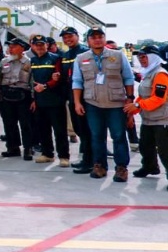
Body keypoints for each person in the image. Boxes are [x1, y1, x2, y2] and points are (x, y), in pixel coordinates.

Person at [72, 26, 135, 182]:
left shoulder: (118, 55)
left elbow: (128, 78)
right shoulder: (81, 58)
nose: (97, 39)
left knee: (119, 136)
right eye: (93, 37)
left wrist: (129, 99)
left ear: (104, 38)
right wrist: (77, 103)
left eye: (100, 36)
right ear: (88, 41)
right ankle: (99, 165)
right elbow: (77, 81)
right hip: (93, 104)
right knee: (97, 136)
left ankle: (121, 168)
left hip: (116, 104)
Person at [124, 45, 168, 182]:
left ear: (153, 57)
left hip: (162, 120)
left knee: (165, 151)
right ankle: (150, 167)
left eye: (144, 56)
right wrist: (133, 110)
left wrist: (137, 105)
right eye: (139, 57)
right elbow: (143, 96)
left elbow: (159, 98)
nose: (141, 59)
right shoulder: (148, 73)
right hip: (148, 119)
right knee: (145, 146)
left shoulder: (160, 74)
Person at [28, 35, 69, 167]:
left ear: (47, 45)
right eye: (37, 44)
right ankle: (47, 154)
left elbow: (58, 78)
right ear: (33, 46)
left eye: (42, 44)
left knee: (59, 130)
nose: (39, 47)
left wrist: (46, 85)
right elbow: (30, 82)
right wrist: (33, 99)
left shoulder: (56, 58)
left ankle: (64, 156)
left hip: (55, 100)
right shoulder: (32, 61)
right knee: (43, 129)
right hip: (40, 101)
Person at [59, 26, 94, 174]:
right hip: (72, 97)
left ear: (77, 36)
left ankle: (91, 161)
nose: (68, 39)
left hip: (86, 97)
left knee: (87, 130)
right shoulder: (66, 55)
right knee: (80, 130)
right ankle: (87, 158)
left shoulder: (86, 52)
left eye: (70, 36)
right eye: (65, 38)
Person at [0, 38, 34, 160]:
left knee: (25, 124)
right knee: (9, 123)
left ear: (22, 48)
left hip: (23, 95)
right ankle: (13, 148)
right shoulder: (4, 61)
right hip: (7, 94)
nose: (11, 48)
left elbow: (32, 81)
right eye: (10, 46)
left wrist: (34, 99)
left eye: (14, 46)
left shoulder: (29, 62)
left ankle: (28, 148)